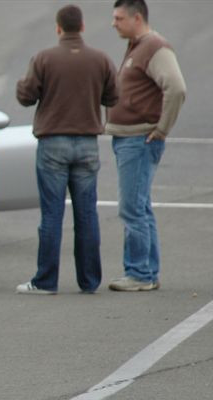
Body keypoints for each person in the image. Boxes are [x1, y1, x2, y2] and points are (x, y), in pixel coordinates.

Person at [15, 4, 119, 295]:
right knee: (86, 215)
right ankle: (89, 281)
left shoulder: (44, 58)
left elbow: (26, 95)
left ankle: (46, 281)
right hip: (87, 144)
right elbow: (114, 96)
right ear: (82, 27)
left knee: (51, 215)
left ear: (58, 27)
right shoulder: (100, 59)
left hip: (53, 143)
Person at [106, 0, 186, 292]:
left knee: (131, 208)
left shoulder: (154, 47)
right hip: (130, 138)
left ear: (136, 17)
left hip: (138, 140)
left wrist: (162, 128)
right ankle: (147, 271)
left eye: (118, 18)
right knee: (140, 205)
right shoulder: (138, 46)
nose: (113, 23)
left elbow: (176, 88)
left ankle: (139, 273)